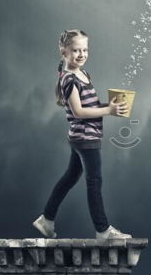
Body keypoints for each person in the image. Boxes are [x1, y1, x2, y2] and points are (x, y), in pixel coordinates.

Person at [32, 29, 132, 239]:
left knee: (71, 176)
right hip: (85, 137)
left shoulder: (84, 75)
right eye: (75, 50)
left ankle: (46, 219)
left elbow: (90, 106)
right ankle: (103, 230)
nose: (81, 54)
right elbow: (78, 112)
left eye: (85, 49)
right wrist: (108, 111)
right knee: (94, 181)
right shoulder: (69, 80)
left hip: (83, 136)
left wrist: (110, 106)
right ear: (63, 52)